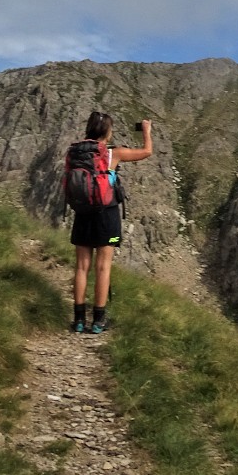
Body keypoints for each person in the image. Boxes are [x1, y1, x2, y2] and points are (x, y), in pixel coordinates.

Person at [70, 111, 152, 333]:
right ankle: (98, 321)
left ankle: (78, 320)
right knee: (103, 267)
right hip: (107, 215)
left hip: (82, 213)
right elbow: (147, 151)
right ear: (107, 131)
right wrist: (146, 131)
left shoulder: (75, 152)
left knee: (81, 267)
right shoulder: (111, 154)